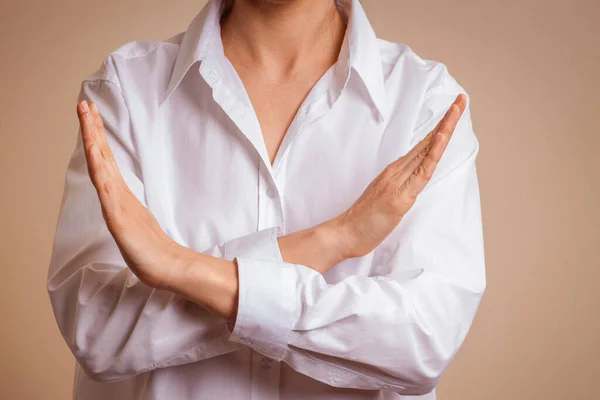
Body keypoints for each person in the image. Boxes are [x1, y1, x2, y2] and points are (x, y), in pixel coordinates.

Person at [46, 0, 486, 399]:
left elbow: (422, 343)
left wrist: (184, 269)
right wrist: (331, 241)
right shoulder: (126, 88)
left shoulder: (425, 101)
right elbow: (97, 332)